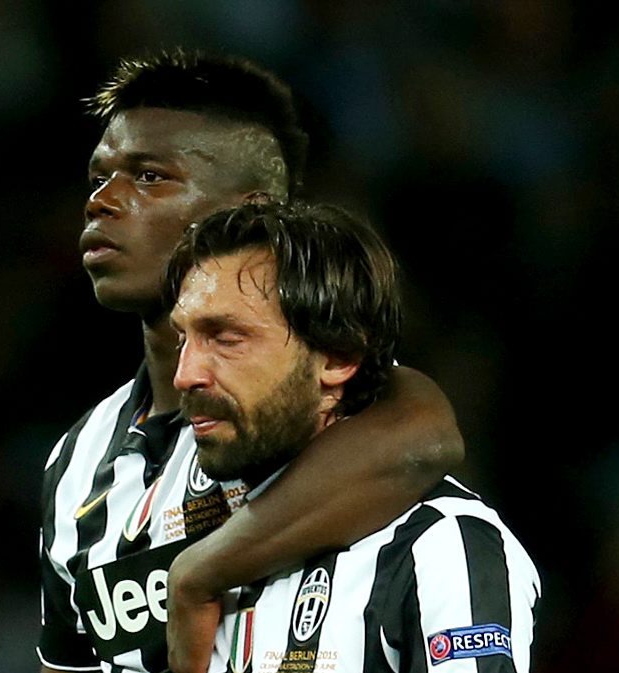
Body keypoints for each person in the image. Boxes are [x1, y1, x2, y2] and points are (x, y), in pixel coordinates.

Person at [38, 49, 464, 673]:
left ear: (252, 209)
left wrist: (199, 573)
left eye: (150, 177)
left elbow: (423, 436)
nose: (103, 200)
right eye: (99, 177)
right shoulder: (77, 462)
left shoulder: (329, 410)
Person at [164, 200, 541, 673]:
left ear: (338, 358)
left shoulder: (442, 547)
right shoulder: (174, 512)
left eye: (226, 339)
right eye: (183, 338)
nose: (185, 375)